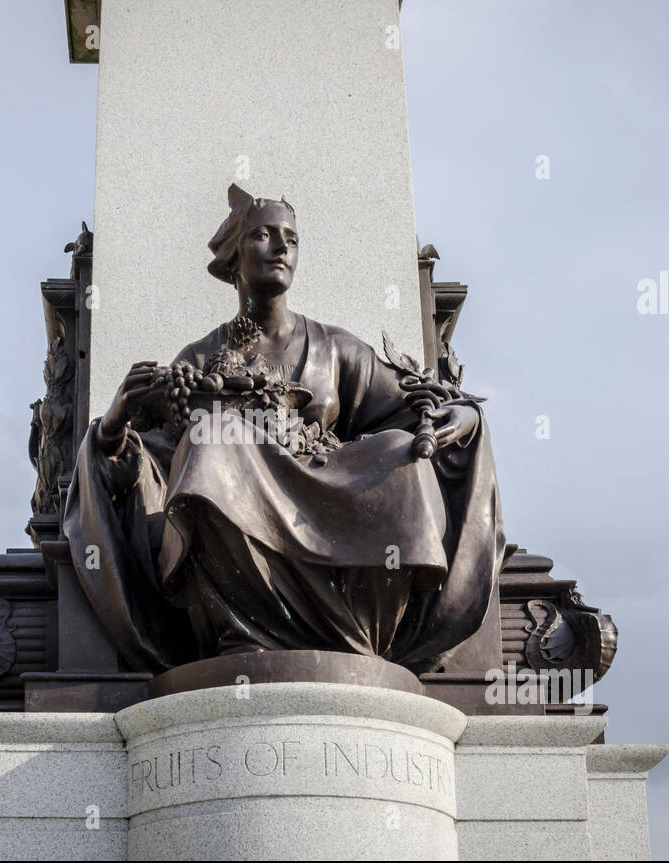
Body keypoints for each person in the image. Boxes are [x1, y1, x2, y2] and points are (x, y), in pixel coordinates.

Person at [63, 185, 506, 674]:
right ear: (234, 257)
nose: (281, 248)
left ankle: (356, 634)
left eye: (291, 239)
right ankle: (245, 628)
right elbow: (151, 463)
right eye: (263, 236)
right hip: (240, 521)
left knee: (402, 451)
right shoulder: (198, 360)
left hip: (326, 492)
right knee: (212, 442)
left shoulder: (336, 347)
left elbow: (412, 409)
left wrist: (462, 419)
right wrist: (112, 423)